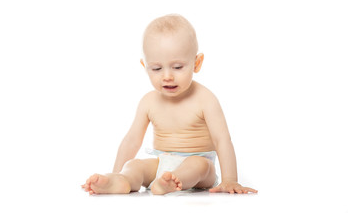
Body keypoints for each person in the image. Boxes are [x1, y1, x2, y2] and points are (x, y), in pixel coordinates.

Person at [82, 14, 258, 195]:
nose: (167, 76)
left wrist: (230, 180)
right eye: (157, 68)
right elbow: (131, 140)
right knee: (135, 166)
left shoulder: (205, 99)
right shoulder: (148, 101)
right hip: (161, 162)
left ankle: (173, 181)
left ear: (196, 63)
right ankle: (121, 180)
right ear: (145, 67)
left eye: (177, 67)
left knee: (197, 165)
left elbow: (222, 140)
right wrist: (117, 171)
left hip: (201, 166)